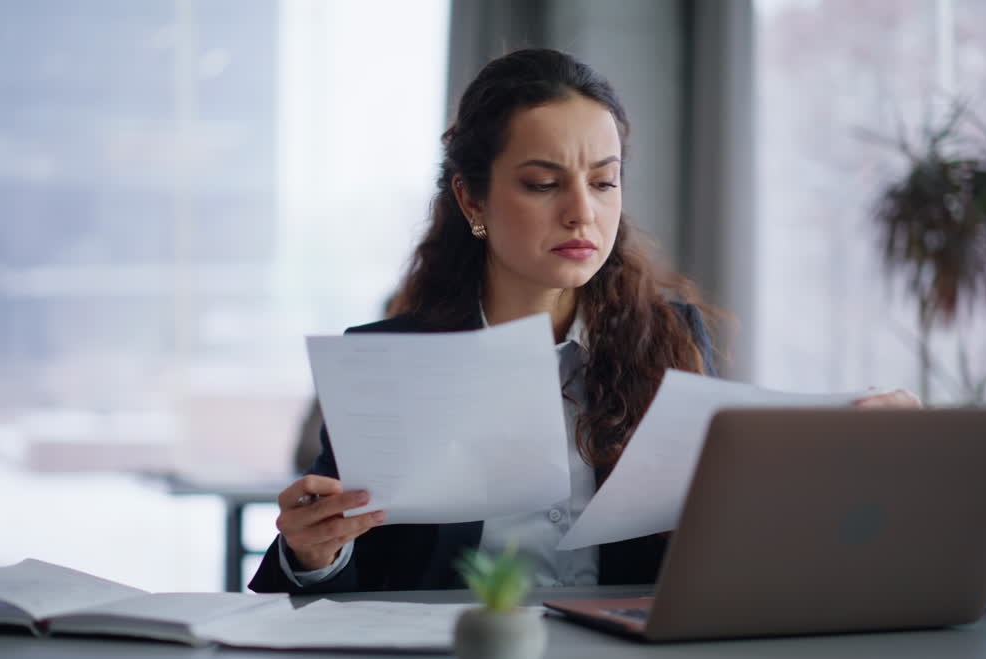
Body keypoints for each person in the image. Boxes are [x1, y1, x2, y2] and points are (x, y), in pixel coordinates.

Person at [249, 48, 917, 595]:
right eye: (543, 183)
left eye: (603, 182)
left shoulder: (670, 338)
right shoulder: (390, 361)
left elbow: (729, 559)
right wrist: (314, 555)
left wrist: (831, 457)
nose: (581, 213)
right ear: (471, 197)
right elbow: (318, 594)